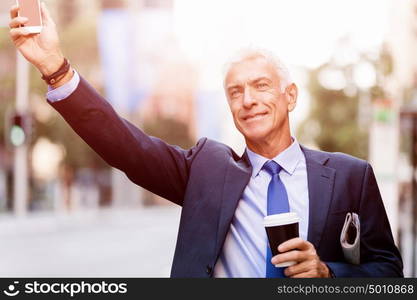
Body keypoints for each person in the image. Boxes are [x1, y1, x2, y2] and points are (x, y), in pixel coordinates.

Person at [9, 3, 403, 278]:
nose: (247, 100)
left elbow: (387, 272)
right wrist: (55, 69)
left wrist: (327, 273)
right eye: (235, 92)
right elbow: (126, 146)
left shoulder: (351, 176)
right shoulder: (208, 170)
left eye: (261, 86)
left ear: (291, 96)